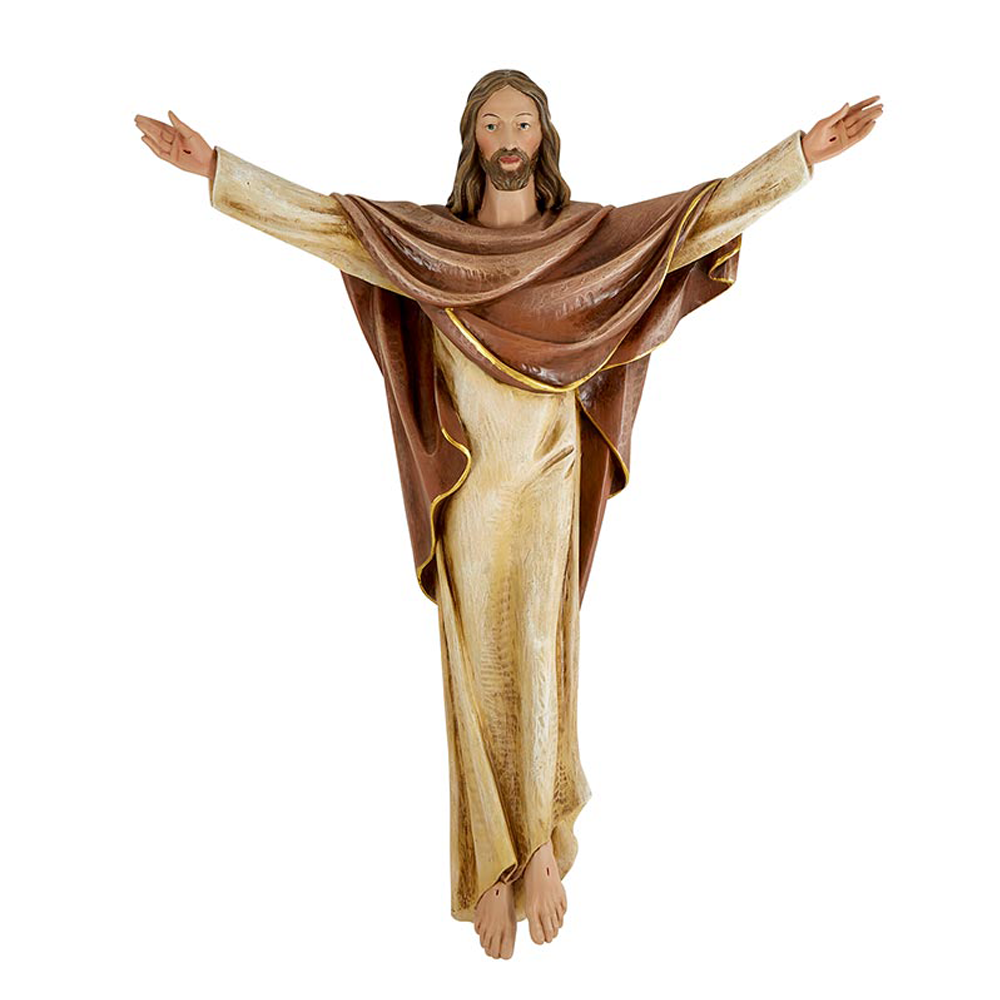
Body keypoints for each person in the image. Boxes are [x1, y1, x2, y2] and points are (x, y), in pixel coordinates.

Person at [135, 69, 882, 960]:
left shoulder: (586, 245)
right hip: (473, 488)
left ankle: (538, 851)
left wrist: (800, 157)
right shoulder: (429, 247)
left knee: (539, 654)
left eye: (522, 123)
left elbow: (694, 220)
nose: (509, 139)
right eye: (493, 124)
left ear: (544, 138)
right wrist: (217, 167)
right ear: (473, 141)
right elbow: (327, 223)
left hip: (550, 479)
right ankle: (490, 859)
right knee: (472, 666)